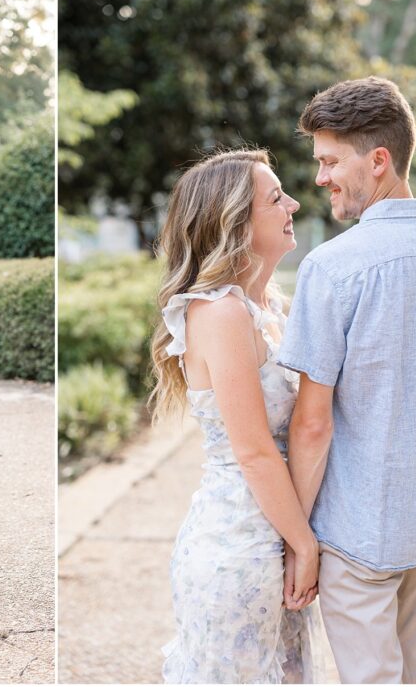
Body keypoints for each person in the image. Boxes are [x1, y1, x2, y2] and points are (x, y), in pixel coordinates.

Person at [278, 77, 416, 683]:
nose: (320, 179)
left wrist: (299, 539)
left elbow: (312, 425)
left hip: (359, 533)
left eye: (329, 161)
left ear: (379, 160)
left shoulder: (331, 267)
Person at [152, 149, 326, 683]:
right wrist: (304, 544)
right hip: (238, 550)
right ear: (235, 222)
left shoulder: (272, 306)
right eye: (276, 198)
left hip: (277, 534)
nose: (293, 203)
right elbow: (252, 451)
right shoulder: (219, 313)